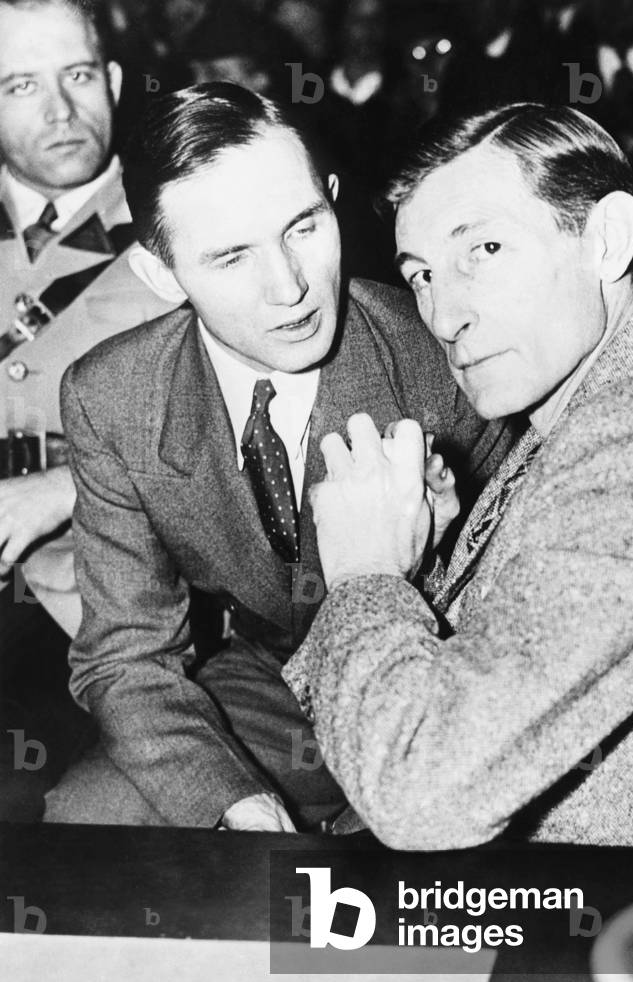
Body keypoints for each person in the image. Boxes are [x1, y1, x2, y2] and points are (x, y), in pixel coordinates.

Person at [283, 102, 633, 852]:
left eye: (484, 249)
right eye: (421, 276)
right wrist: (420, 559)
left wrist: (365, 574)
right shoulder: (597, 405)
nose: (444, 317)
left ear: (607, 240)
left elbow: (420, 792)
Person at [45, 83, 509, 832]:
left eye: (303, 227)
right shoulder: (113, 397)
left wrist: (433, 547)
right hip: (272, 686)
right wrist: (230, 799)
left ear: (334, 201)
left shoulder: (441, 356)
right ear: (162, 274)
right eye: (232, 257)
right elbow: (125, 657)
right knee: (87, 816)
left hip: (433, 671)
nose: (290, 287)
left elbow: (518, 624)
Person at [0, 0, 177, 822]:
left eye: (76, 76)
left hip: (105, 602)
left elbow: (237, 435)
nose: (60, 110)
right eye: (20, 86)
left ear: (111, 79)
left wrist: (59, 489)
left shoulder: (177, 223)